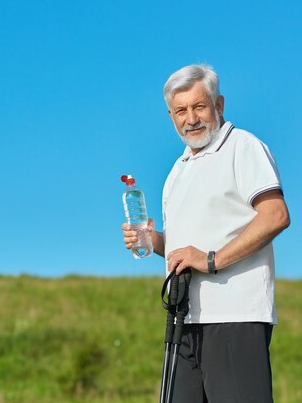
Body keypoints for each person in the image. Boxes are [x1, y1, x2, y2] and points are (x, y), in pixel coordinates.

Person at [122, 64, 290, 403]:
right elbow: (187, 250)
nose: (191, 118)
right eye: (180, 111)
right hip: (183, 320)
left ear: (219, 105)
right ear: (171, 116)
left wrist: (212, 260)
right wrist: (155, 241)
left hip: (235, 316)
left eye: (199, 106)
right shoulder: (177, 172)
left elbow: (275, 215)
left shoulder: (242, 147)